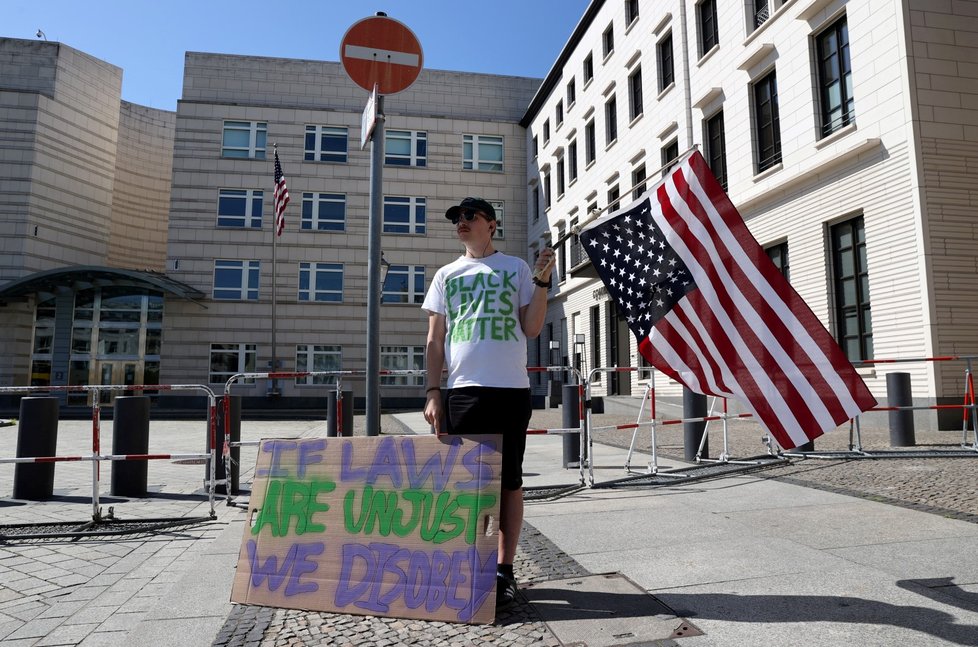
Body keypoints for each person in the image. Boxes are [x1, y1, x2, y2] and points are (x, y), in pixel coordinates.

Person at [421, 197, 554, 609]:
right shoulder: (446, 274)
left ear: (491, 224)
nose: (460, 223)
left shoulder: (515, 268)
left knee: (509, 481)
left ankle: (504, 568)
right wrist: (432, 391)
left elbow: (531, 328)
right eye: (456, 218)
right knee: (465, 483)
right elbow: (435, 340)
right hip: (462, 391)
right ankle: (465, 565)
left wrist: (543, 282)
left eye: (469, 216)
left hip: (510, 390)